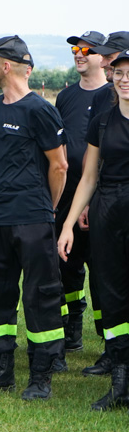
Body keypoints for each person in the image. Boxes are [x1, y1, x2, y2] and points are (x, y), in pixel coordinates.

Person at [0, 36, 68, 401]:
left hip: (32, 217)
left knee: (41, 296)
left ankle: (41, 375)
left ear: (5, 66)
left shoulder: (39, 109)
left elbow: (59, 165)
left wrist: (45, 209)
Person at [58, 49, 129, 411]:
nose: (124, 78)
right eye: (119, 72)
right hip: (108, 207)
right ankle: (120, 381)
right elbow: (87, 178)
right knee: (112, 292)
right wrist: (69, 223)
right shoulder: (102, 121)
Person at [53, 31, 109, 361]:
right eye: (76, 48)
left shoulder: (111, 95)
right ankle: (73, 324)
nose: (79, 54)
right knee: (67, 266)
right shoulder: (65, 97)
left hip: (101, 198)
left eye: (87, 49)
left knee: (103, 271)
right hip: (67, 195)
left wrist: (93, 199)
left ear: (104, 58)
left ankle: (107, 339)